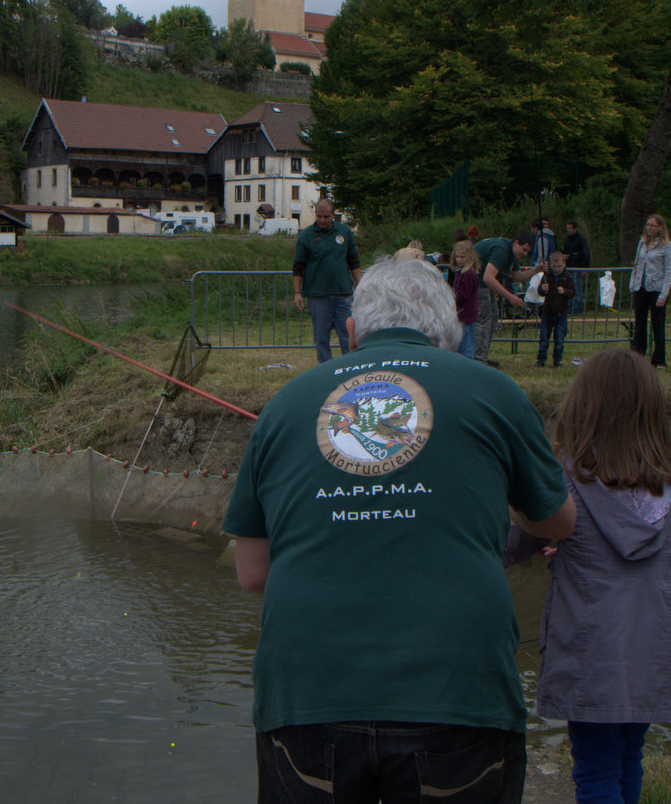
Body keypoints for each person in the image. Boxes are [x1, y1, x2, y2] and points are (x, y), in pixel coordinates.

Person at [225, 257, 576, 803]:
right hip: (457, 693)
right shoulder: (496, 391)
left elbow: (252, 573)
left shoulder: (284, 403)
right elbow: (558, 519)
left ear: (351, 331)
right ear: (451, 331)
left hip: (307, 694)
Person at [506, 350, 671, 804]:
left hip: (591, 649)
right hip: (653, 643)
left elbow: (513, 545)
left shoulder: (566, 479)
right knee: (630, 755)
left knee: (595, 768)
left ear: (582, 405)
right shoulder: (665, 483)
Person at [292, 199, 362, 363]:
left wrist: (360, 284)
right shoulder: (306, 236)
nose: (322, 220)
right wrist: (297, 292)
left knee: (347, 335)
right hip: (318, 295)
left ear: (333, 215)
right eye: (319, 216)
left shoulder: (344, 232)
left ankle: (350, 367)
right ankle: (325, 368)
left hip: (343, 293)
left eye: (326, 217)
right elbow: (298, 267)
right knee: (321, 337)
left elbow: (353, 261)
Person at [475, 233, 538, 366]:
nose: (525, 254)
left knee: (493, 316)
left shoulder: (511, 254)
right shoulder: (502, 250)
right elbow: (488, 277)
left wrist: (536, 270)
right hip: (477, 282)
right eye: (524, 249)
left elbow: (517, 276)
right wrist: (510, 297)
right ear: (516, 243)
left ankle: (482, 356)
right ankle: (478, 359)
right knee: (484, 319)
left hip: (484, 284)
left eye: (527, 251)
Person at [628, 215, 671, 368]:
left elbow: (668, 271)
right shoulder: (642, 242)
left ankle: (659, 359)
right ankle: (637, 356)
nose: (649, 228)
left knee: (658, 325)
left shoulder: (666, 246)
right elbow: (637, 264)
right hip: (641, 287)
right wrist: (633, 284)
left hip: (656, 289)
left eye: (653, 225)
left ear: (660, 227)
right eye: (648, 225)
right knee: (639, 323)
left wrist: (663, 295)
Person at [537, 251, 575, 368]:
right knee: (544, 338)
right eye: (554, 267)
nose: (557, 269)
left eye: (559, 266)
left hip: (561, 313)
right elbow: (540, 291)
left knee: (559, 339)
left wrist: (565, 291)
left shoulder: (567, 277)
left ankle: (557, 360)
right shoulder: (547, 276)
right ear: (550, 265)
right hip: (547, 313)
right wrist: (542, 288)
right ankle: (541, 359)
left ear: (564, 264)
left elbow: (572, 292)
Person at [451, 239, 480, 359]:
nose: (459, 259)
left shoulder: (469, 274)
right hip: (459, 314)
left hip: (467, 315)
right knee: (458, 345)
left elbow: (464, 295)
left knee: (466, 346)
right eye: (457, 256)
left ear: (470, 257)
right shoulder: (459, 272)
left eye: (462, 257)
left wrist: (451, 295)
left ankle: (468, 363)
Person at [564, 220, 592, 315]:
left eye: (570, 228)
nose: (568, 230)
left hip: (577, 268)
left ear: (575, 229)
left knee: (577, 288)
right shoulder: (567, 240)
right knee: (569, 288)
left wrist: (584, 268)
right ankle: (570, 308)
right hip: (569, 267)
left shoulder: (580, 240)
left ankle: (579, 309)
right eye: (567, 228)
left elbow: (585, 254)